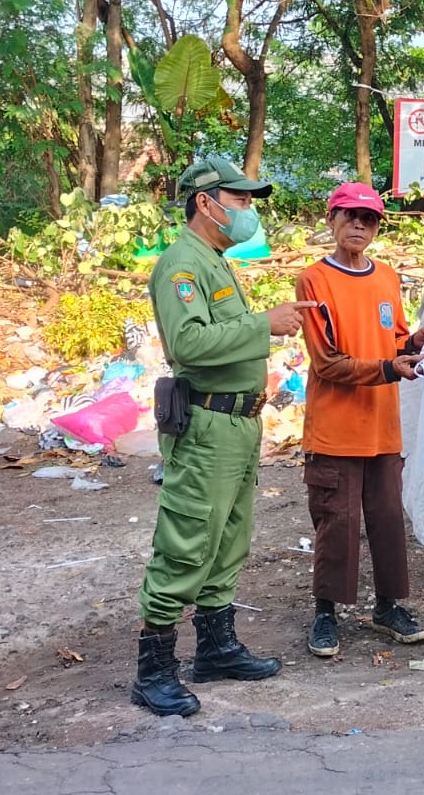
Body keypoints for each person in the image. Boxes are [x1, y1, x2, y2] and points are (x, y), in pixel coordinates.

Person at [131, 154, 317, 719]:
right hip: (207, 425)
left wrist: (260, 323)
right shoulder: (181, 266)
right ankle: (154, 670)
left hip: (238, 424)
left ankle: (215, 648)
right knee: (188, 539)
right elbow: (187, 345)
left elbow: (219, 332)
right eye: (240, 201)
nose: (248, 211)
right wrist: (265, 323)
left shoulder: (215, 261)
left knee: (229, 539)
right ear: (206, 204)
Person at [295, 182, 424, 658]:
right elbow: (326, 363)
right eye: (350, 215)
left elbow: (393, 340)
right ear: (332, 219)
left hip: (382, 426)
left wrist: (417, 342)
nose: (359, 225)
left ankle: (388, 605)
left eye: (369, 218)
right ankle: (326, 612)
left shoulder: (387, 278)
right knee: (336, 520)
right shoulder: (314, 280)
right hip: (335, 427)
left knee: (386, 518)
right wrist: (387, 368)